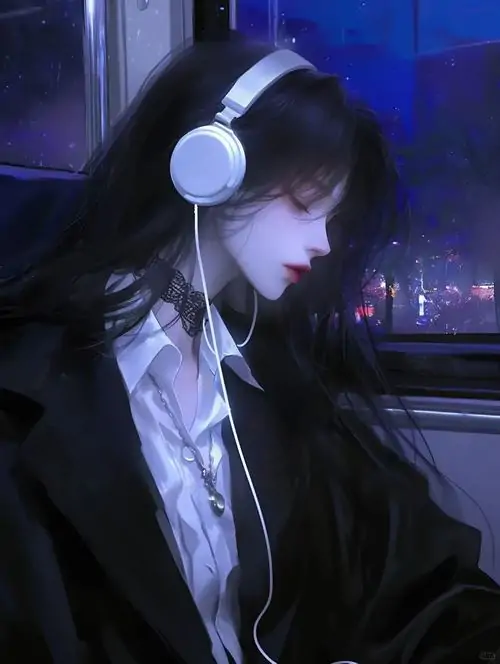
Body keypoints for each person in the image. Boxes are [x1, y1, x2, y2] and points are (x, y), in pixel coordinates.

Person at [0, 37, 499, 664]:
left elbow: (409, 562)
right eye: (304, 203)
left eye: (331, 217)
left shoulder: (261, 376)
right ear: (211, 167)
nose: (322, 242)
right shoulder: (30, 393)